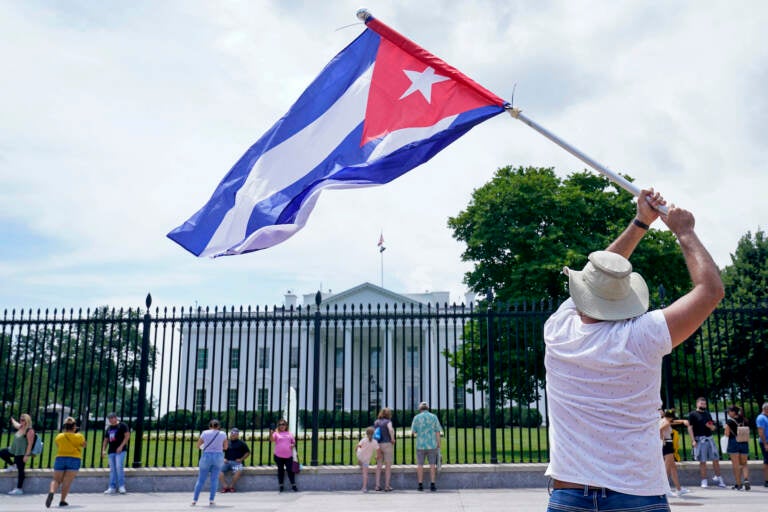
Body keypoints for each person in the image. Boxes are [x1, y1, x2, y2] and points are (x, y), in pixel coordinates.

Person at [543, 189, 724, 512]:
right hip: (638, 493)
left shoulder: (558, 331)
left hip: (569, 493)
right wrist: (684, 232)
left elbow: (597, 276)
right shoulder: (643, 335)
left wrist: (640, 222)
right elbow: (710, 291)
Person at [45, 416, 86, 508]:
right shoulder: (79, 436)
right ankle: (62, 500)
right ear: (74, 426)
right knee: (67, 481)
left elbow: (57, 445)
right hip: (74, 459)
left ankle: (52, 492)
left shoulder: (59, 436)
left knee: (56, 479)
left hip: (60, 458)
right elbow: (84, 445)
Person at [687, 397, 727, 488]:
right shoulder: (693, 414)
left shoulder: (707, 413)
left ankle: (719, 478)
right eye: (701, 404)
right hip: (700, 439)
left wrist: (712, 427)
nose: (703, 405)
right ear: (697, 404)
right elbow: (689, 427)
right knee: (702, 461)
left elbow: (712, 425)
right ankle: (704, 480)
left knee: (715, 459)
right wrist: (693, 440)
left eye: (704, 404)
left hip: (710, 438)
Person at [192, 419, 227, 507]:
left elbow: (198, 445)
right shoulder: (222, 434)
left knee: (201, 479)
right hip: (218, 456)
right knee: (214, 479)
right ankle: (211, 500)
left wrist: (205, 447)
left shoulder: (205, 433)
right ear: (218, 426)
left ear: (209, 426)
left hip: (206, 456)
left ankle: (194, 500)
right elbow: (225, 447)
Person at [410, 401, 442, 492]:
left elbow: (413, 432)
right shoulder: (433, 417)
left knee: (420, 465)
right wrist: (439, 444)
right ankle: (432, 484)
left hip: (420, 444)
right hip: (432, 444)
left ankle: (420, 484)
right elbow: (437, 431)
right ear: (428, 408)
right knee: (432, 465)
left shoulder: (416, 418)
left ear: (420, 409)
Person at [0, 413, 35, 495]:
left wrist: (26, 455)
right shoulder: (21, 427)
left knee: (21, 471)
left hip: (21, 453)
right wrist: (12, 420)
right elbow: (16, 424)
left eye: (23, 420)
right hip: (13, 450)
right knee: (2, 453)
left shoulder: (30, 431)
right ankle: (12, 465)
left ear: (27, 421)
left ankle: (19, 489)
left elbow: (30, 444)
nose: (21, 421)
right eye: (20, 420)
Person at [660, 409, 690, 497]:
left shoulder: (664, 420)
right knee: (667, 469)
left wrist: (683, 421)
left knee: (673, 467)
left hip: (667, 444)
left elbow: (674, 422)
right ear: (671, 417)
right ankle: (665, 490)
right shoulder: (666, 422)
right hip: (667, 444)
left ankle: (678, 489)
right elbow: (659, 429)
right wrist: (663, 440)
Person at [101, 412, 130, 495]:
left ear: (115, 418)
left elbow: (127, 436)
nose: (110, 420)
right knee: (112, 469)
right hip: (111, 451)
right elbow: (106, 440)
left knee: (119, 466)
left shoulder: (122, 425)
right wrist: (103, 450)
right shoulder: (109, 428)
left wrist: (121, 446)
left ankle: (121, 486)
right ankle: (112, 487)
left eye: (112, 418)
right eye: (109, 419)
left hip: (120, 450)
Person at [724, 405, 750, 490]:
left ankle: (738, 484)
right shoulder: (744, 420)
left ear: (733, 412)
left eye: (728, 411)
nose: (728, 413)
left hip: (733, 442)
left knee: (736, 465)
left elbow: (727, 434)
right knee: (744, 463)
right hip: (744, 442)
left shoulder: (729, 421)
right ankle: (746, 479)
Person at [218, 427, 250, 493]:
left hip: (236, 462)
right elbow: (220, 452)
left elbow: (248, 452)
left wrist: (241, 459)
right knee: (218, 470)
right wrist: (223, 459)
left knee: (239, 470)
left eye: (235, 433)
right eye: (232, 433)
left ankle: (231, 486)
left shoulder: (241, 443)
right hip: (226, 462)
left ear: (238, 435)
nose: (233, 434)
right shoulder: (226, 442)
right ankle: (225, 486)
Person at [270, 419, 297, 492]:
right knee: (280, 470)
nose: (282, 426)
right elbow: (272, 440)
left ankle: (293, 484)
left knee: (290, 470)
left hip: (288, 456)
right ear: (278, 426)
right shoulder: (276, 433)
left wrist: (292, 445)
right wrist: (271, 433)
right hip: (278, 456)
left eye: (283, 424)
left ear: (286, 426)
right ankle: (281, 485)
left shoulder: (289, 433)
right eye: (280, 424)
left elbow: (293, 442)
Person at [374, 407, 396, 492]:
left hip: (378, 445)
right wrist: (392, 438)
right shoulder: (388, 422)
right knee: (388, 466)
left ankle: (377, 485)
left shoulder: (376, 422)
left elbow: (375, 433)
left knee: (379, 466)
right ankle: (387, 486)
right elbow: (390, 429)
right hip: (387, 444)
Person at [356, 426, 378, 492]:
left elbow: (358, 446)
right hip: (367, 459)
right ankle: (364, 487)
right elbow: (378, 450)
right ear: (373, 434)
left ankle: (359, 461)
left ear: (366, 433)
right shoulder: (374, 442)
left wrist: (357, 450)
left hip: (360, 455)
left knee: (359, 452)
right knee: (365, 473)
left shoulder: (363, 440)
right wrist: (377, 456)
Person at [757, 402, 768, 487]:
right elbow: (761, 432)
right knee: (767, 462)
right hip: (766, 442)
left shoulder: (766, 417)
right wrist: (765, 444)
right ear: (765, 409)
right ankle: (767, 481)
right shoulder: (761, 418)